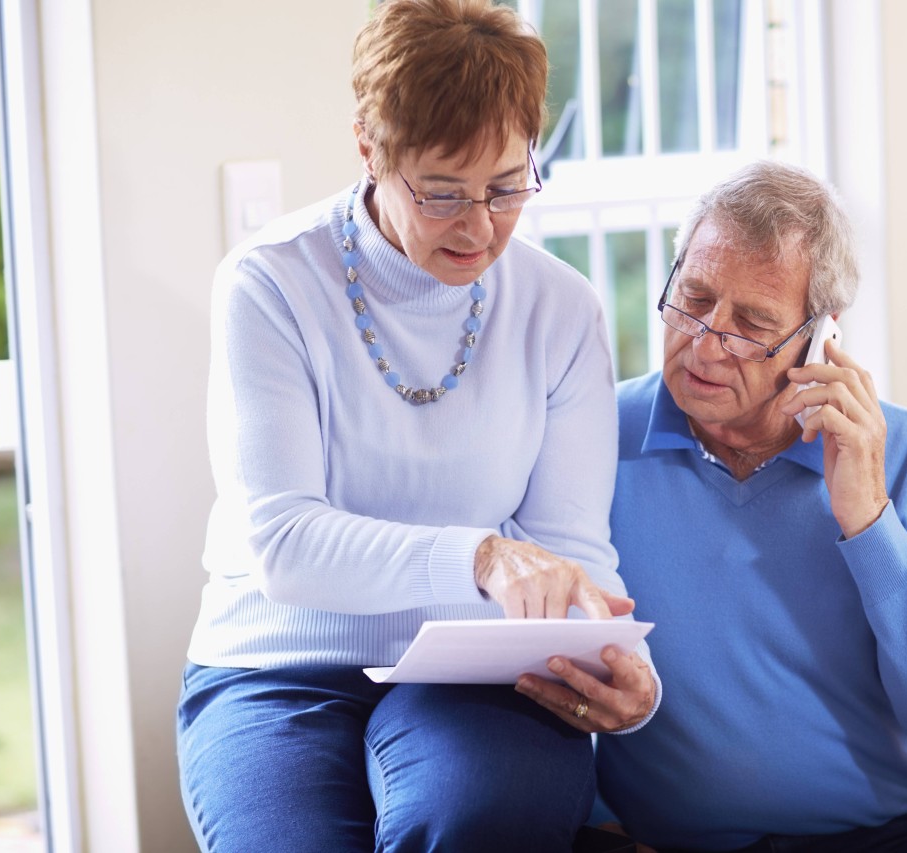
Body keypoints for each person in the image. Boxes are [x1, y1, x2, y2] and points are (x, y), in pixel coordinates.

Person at [176, 2, 658, 851]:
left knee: (478, 816)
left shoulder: (562, 309)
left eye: (508, 186)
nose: (479, 227)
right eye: (442, 192)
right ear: (369, 146)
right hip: (278, 668)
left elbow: (568, 542)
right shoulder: (271, 285)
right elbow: (283, 543)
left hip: (480, 668)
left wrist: (624, 666)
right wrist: (480, 555)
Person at [540, 160, 907, 851]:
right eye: (695, 297)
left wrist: (869, 521)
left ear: (818, 334)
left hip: (892, 838)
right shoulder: (591, 434)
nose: (706, 343)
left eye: (750, 323)